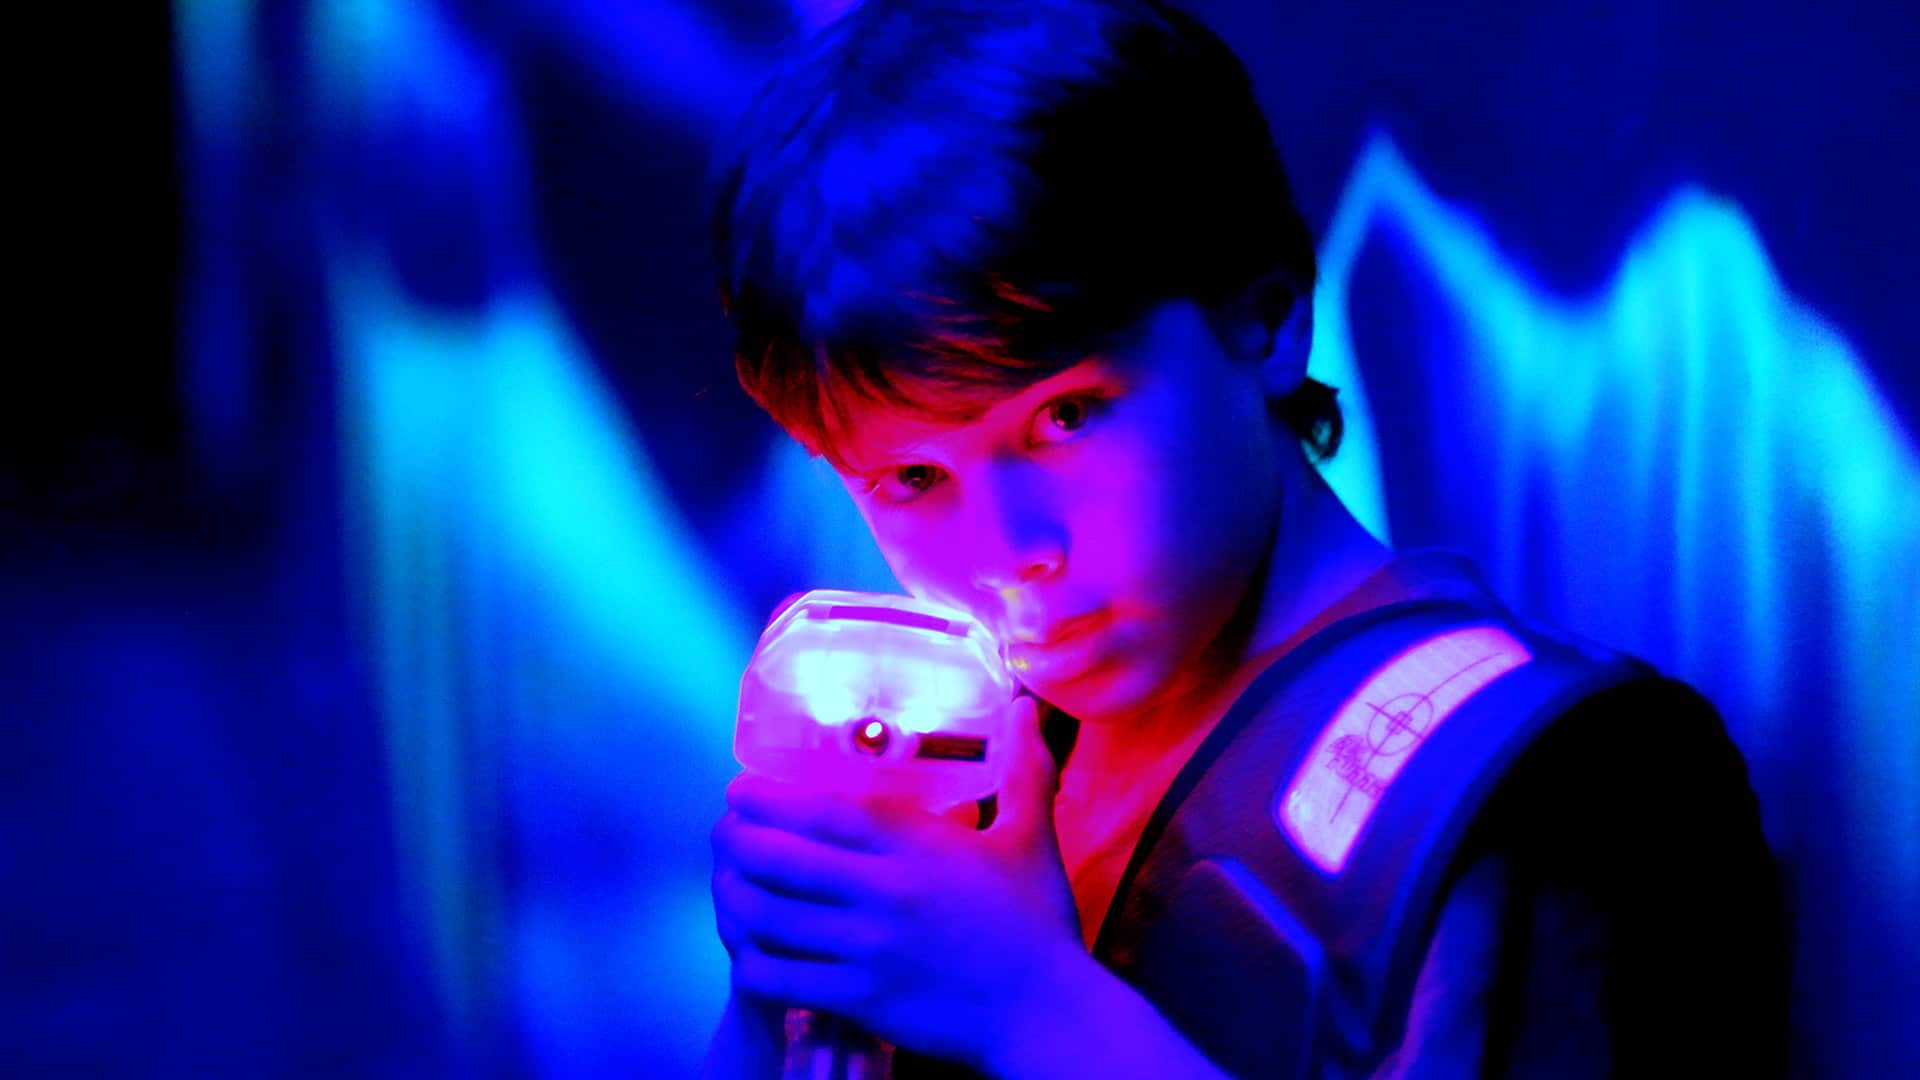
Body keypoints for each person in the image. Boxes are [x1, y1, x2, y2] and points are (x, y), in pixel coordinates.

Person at [700, 2, 1787, 1076]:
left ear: (1263, 321)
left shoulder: (1518, 781)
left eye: (1065, 416)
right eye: (911, 478)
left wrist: (1030, 1005)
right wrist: (777, 1011)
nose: (1008, 550)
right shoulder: (968, 760)